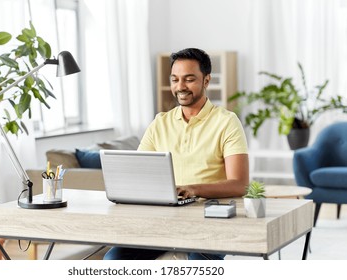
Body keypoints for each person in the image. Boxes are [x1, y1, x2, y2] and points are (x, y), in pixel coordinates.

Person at [103, 48, 249, 260]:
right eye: (175, 79)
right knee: (113, 260)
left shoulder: (227, 122)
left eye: (189, 79)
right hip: (162, 221)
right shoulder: (160, 122)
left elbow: (240, 184)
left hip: (208, 221)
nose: (180, 86)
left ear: (206, 80)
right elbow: (138, 171)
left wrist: (192, 189)